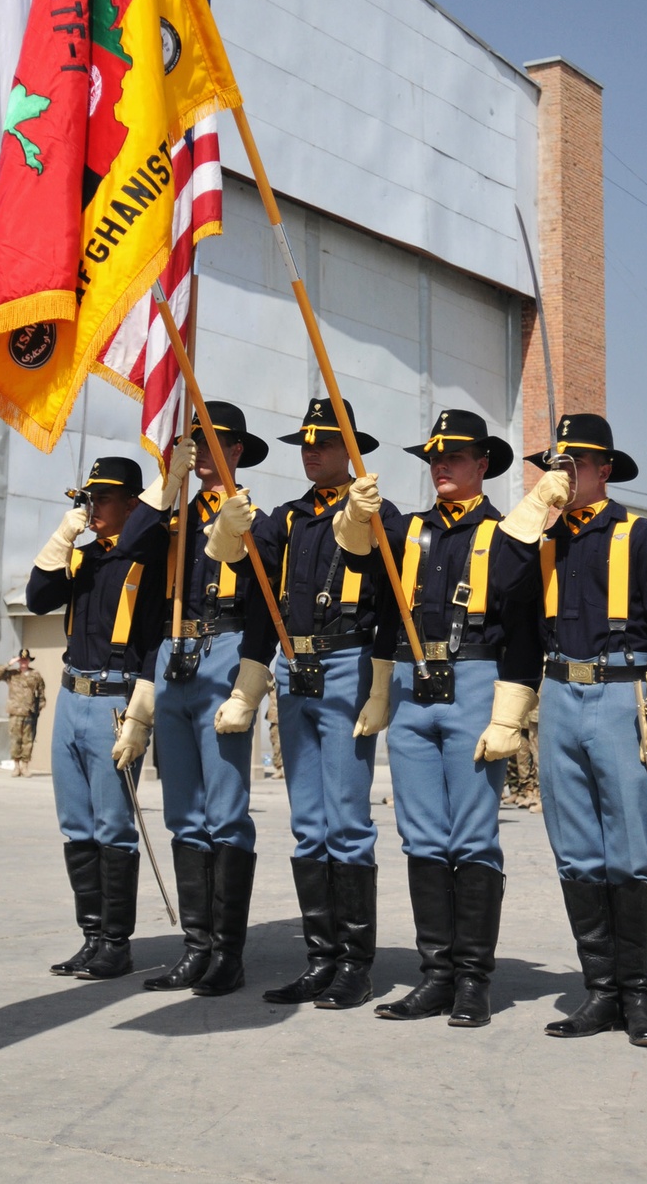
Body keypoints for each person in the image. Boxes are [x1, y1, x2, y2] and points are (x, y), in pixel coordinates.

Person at [497, 413, 647, 1048]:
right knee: (576, 850)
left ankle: (639, 995)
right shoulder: (541, 538)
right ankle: (601, 990)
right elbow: (501, 588)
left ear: (603, 471)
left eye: (572, 466)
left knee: (629, 851)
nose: (562, 476)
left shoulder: (640, 536)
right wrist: (534, 511)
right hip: (558, 694)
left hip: (619, 694)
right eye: (554, 466)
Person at [208, 396, 395, 1011]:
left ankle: (354, 965)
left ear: (351, 449)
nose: (312, 451)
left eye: (324, 442)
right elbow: (247, 574)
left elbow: (391, 594)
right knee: (308, 824)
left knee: (345, 821)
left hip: (345, 662)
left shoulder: (376, 510)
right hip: (295, 668)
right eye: (306, 444)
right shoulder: (285, 518)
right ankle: (321, 959)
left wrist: (380, 682)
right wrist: (228, 528)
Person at [367, 409, 542, 1030]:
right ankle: (436, 976)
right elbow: (382, 606)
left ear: (483, 465)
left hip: (475, 679)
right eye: (434, 458)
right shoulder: (410, 530)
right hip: (414, 687)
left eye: (455, 457)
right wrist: (379, 687)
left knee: (471, 836)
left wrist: (511, 711)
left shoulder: (507, 534)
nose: (441, 465)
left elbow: (525, 630)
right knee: (420, 836)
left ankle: (473, 980)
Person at [133, 402, 271, 997]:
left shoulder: (255, 519)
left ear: (236, 452)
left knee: (224, 810)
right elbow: (127, 549)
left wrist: (250, 679)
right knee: (182, 811)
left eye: (217, 444)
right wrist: (166, 487)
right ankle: (197, 946)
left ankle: (228, 955)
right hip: (174, 653)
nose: (206, 455)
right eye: (195, 444)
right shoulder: (173, 517)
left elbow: (267, 602)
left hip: (225, 647)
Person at [26, 457, 168, 981]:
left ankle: (116, 941)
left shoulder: (149, 560)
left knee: (113, 826)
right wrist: (62, 538)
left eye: (103, 498)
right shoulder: (80, 558)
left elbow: (156, 635)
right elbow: (37, 598)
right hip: (71, 697)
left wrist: (142, 710)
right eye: (87, 498)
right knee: (76, 825)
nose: (92, 508)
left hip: (115, 699)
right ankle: (91, 935)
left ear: (132, 504)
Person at [0, 648, 46, 776]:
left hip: (29, 712)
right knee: (15, 740)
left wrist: (38, 709)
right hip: (15, 712)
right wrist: (9, 664)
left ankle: (25, 766)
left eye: (25, 660)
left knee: (28, 740)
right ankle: (16, 766)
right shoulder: (12, 674)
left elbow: (41, 693)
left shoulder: (35, 675)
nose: (23, 663)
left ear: (29, 661)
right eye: (21, 660)